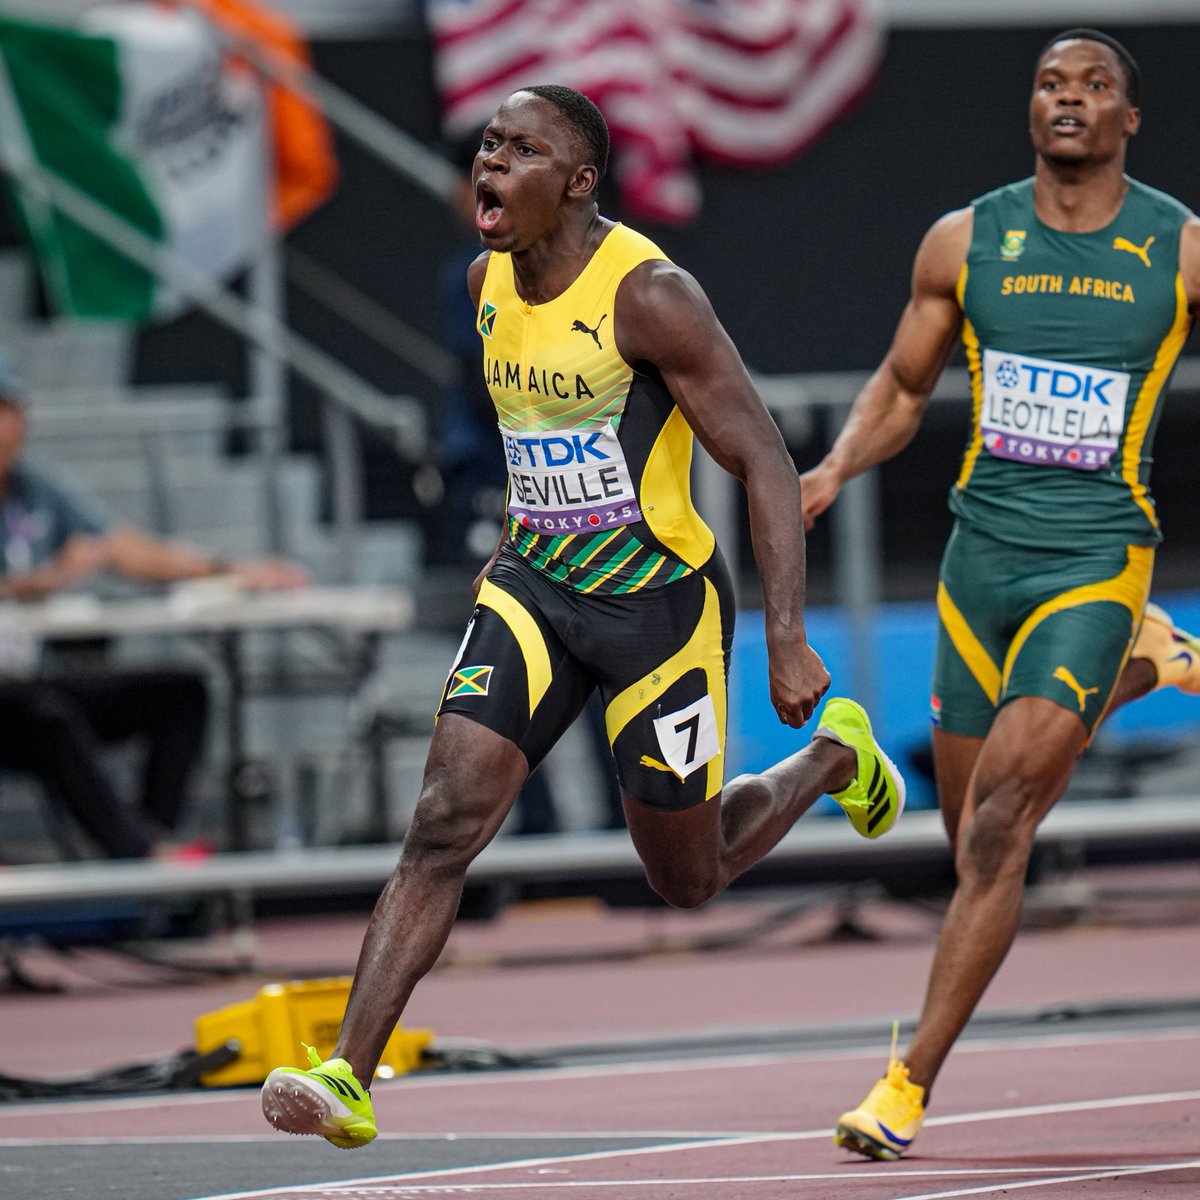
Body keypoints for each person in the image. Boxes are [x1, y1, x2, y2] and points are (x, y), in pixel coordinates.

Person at [260, 83, 905, 1149]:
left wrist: (789, 638)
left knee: (686, 877)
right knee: (443, 822)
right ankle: (347, 1072)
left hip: (657, 610)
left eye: (522, 150)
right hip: (535, 588)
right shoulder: (482, 282)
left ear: (579, 179)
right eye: (487, 145)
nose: (490, 165)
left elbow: (763, 463)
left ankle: (831, 763)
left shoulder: (650, 295)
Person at [797, 30, 1200, 1161]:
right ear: (1031, 110)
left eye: (1096, 87)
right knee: (963, 828)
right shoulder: (967, 240)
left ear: (1130, 120)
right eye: (1051, 84)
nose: (1069, 99)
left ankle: (906, 1081)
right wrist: (829, 470)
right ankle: (1145, 664)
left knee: (999, 832)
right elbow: (902, 383)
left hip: (1094, 560)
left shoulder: (1179, 249)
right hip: (978, 570)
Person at [0, 352, 309, 861]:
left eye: (10, 411)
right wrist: (47, 580)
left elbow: (123, 547)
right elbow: (46, 578)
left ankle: (152, 837)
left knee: (182, 693)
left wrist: (229, 569)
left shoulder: (36, 490)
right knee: (48, 718)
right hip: (12, 701)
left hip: (37, 678)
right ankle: (139, 857)